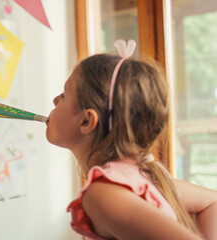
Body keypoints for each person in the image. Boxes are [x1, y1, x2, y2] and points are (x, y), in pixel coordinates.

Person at [45, 39, 217, 240]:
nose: (55, 100)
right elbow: (212, 202)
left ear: (86, 121)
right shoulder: (147, 178)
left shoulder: (103, 194)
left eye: (64, 95)